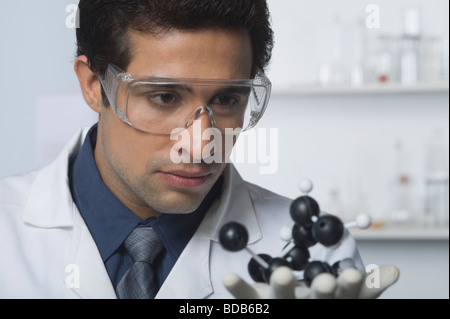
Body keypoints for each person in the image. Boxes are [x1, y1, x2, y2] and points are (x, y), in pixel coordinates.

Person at [0, 0, 396, 299]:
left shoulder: (309, 250)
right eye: (165, 97)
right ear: (92, 85)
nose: (201, 143)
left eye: (227, 99)